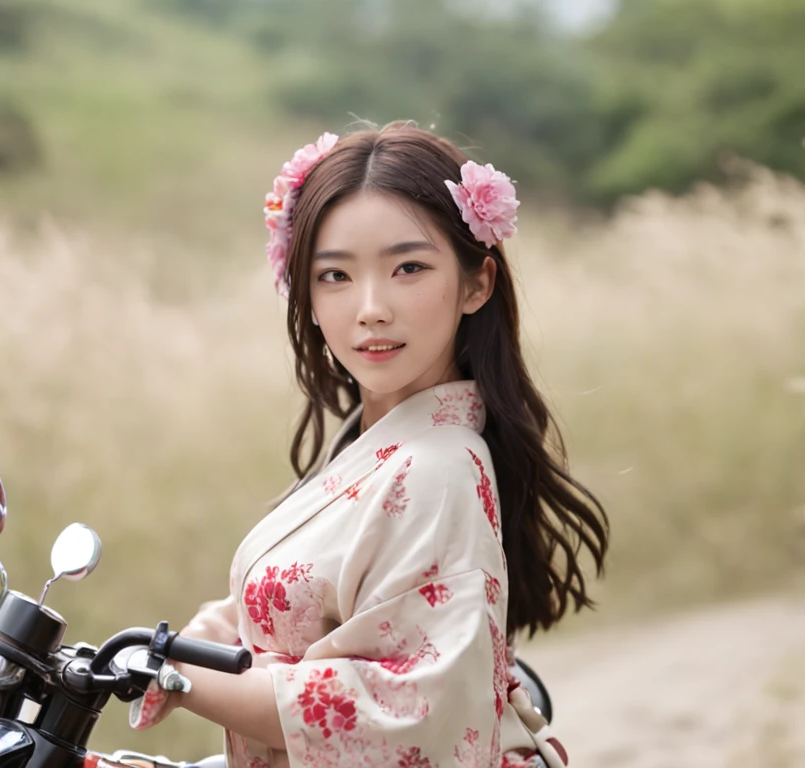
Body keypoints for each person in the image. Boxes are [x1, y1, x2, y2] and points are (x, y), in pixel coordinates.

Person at [126, 122, 609, 767]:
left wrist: (180, 682)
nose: (371, 308)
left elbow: (401, 713)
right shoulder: (378, 446)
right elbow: (295, 604)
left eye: (408, 267)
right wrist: (177, 645)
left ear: (477, 284)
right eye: (335, 276)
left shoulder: (437, 468)